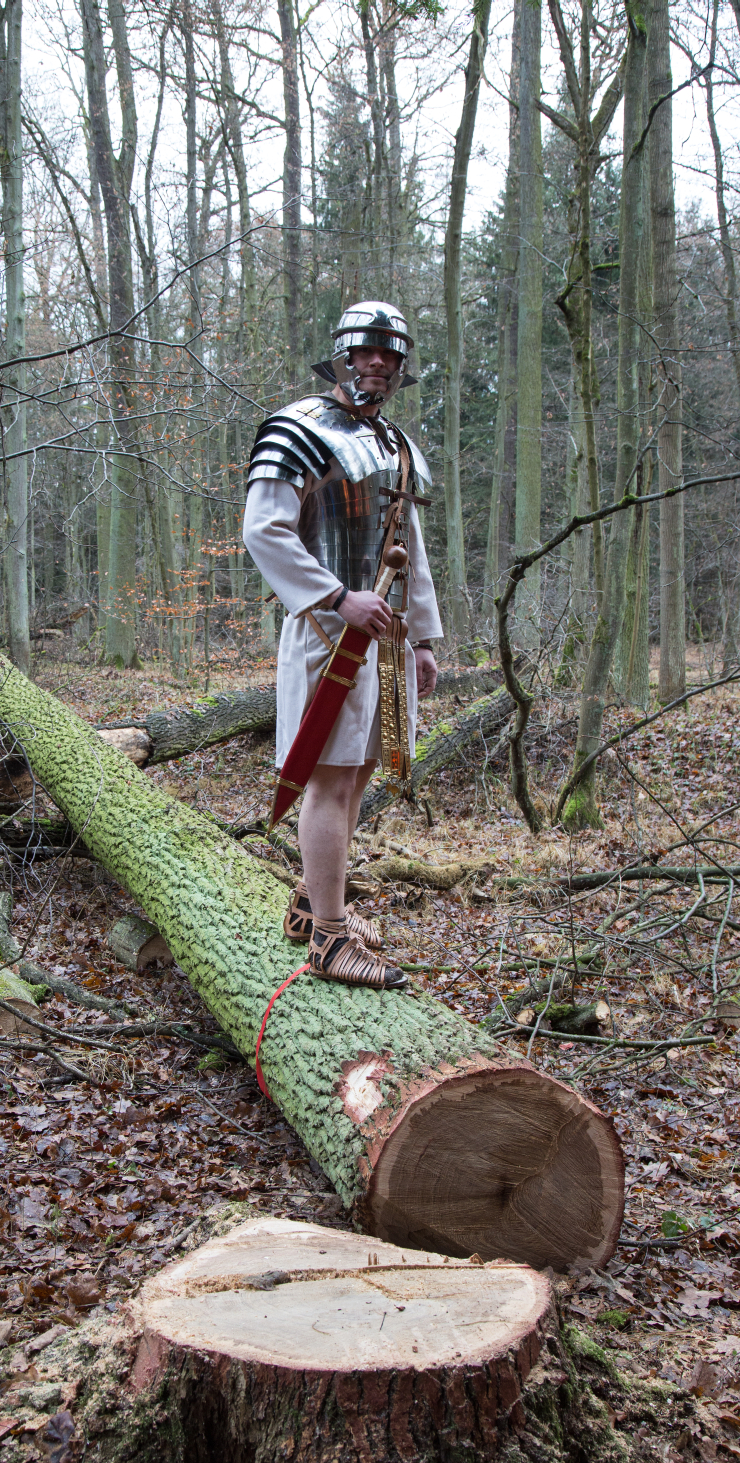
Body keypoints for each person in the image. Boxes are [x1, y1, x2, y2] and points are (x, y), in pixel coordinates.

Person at [242, 301, 443, 990]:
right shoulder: (298, 429)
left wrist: (421, 638)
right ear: (342, 356)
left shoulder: (395, 446)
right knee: (328, 778)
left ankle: (310, 903)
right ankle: (330, 939)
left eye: (391, 356)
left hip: (384, 637)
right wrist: (336, 597)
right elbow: (265, 530)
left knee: (358, 773)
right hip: (327, 633)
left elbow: (406, 545)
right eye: (367, 352)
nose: (379, 364)